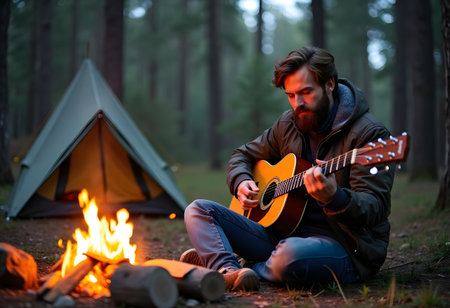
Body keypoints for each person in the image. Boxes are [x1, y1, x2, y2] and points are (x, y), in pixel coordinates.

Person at [180, 46, 395, 291]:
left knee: (290, 255)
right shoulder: (288, 124)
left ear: (330, 84)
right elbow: (243, 154)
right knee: (197, 209)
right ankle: (228, 271)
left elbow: (375, 206)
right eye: (291, 95)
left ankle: (234, 263)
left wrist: (336, 198)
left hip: (344, 246)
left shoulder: (371, 135)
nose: (298, 104)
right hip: (280, 234)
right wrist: (241, 180)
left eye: (305, 92)